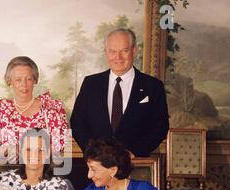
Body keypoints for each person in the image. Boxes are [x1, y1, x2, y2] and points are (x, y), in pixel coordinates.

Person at [70, 28, 169, 157]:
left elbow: (160, 126)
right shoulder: (91, 84)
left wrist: (135, 152)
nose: (118, 57)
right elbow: (77, 122)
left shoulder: (153, 86)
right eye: (112, 51)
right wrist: (94, 152)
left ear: (134, 51)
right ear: (106, 52)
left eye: (124, 51)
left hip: (136, 164)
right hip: (97, 167)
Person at [0, 56, 70, 159]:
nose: (24, 84)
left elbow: (62, 145)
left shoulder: (52, 108)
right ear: (9, 81)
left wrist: (30, 153)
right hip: (8, 170)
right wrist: (10, 149)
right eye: (18, 80)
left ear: (34, 80)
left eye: (29, 79)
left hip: (43, 171)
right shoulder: (0, 108)